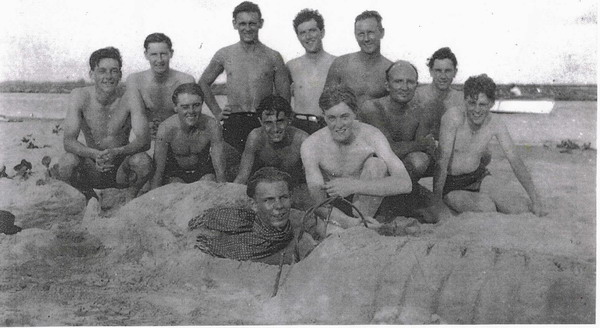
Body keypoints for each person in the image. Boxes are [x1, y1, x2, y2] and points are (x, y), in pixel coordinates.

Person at [301, 84, 412, 230]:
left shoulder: (371, 135)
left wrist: (353, 185)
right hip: (332, 210)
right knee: (330, 233)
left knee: (376, 164)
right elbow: (319, 202)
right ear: (324, 116)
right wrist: (347, 222)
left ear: (355, 113)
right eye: (332, 118)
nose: (339, 125)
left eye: (344, 117)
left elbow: (405, 183)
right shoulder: (312, 145)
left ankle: (361, 223)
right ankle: (358, 227)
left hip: (363, 203)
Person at [433, 74, 545, 217]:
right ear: (465, 101)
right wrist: (436, 201)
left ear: (491, 103)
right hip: (453, 184)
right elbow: (442, 162)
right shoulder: (453, 118)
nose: (477, 110)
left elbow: (515, 160)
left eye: (483, 104)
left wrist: (535, 199)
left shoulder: (495, 122)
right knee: (486, 208)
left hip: (479, 177)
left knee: (519, 208)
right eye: (472, 103)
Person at [57, 47, 152, 201]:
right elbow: (68, 141)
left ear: (120, 75)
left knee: (143, 161)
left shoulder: (130, 97)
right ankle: (90, 197)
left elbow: (144, 140)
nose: (108, 76)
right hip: (92, 167)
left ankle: (129, 197)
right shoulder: (80, 96)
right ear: (91, 74)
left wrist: (117, 152)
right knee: (66, 163)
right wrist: (94, 154)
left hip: (122, 168)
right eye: (102, 71)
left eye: (114, 71)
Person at [198, 1, 291, 153]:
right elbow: (203, 82)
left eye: (252, 23)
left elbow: (284, 97)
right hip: (234, 120)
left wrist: (279, 123)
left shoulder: (273, 56)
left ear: (260, 23)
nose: (247, 28)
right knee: (233, 165)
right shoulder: (225, 54)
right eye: (242, 24)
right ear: (235, 24)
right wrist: (216, 111)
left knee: (262, 167)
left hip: (263, 121)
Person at [194, 167, 317, 265]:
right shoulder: (237, 239)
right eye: (269, 200)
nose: (279, 205)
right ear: (254, 204)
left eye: (284, 197)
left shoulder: (302, 240)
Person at [359, 60, 437, 183]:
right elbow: (386, 151)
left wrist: (422, 145)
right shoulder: (372, 108)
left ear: (416, 85)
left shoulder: (421, 111)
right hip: (369, 169)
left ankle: (400, 195)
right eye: (398, 81)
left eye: (410, 82)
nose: (405, 87)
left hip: (399, 170)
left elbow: (423, 152)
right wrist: (421, 144)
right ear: (387, 85)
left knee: (420, 159)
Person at [150, 83, 226, 189]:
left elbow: (220, 171)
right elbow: (158, 171)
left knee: (209, 183)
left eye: (196, 105)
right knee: (176, 186)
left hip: (202, 173)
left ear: (202, 104)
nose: (191, 111)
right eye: (185, 107)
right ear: (175, 107)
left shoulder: (212, 126)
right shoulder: (166, 129)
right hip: (176, 174)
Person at [125, 33, 195, 139]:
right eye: (154, 54)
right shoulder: (135, 80)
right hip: (147, 140)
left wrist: (165, 128)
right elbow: (136, 117)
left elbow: (192, 118)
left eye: (163, 54)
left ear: (171, 53)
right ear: (146, 55)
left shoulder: (185, 80)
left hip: (177, 139)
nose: (159, 59)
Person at [234, 95, 308, 186]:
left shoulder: (302, 139)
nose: (275, 129)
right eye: (268, 123)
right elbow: (242, 177)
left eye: (280, 121)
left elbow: (312, 177)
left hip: (294, 187)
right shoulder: (256, 137)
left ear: (289, 120)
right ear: (260, 122)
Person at [324, 10, 392, 107]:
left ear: (381, 33)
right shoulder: (341, 64)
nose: (366, 39)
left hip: (376, 122)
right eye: (361, 34)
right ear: (355, 35)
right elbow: (325, 102)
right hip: (347, 122)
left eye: (370, 32)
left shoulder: (391, 70)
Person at [286, 9, 336, 134]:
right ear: (298, 36)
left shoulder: (336, 63)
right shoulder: (291, 66)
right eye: (302, 33)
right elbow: (278, 97)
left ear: (322, 32)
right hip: (298, 125)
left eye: (312, 30)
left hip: (327, 126)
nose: (308, 37)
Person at [414, 47, 465, 139]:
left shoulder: (461, 99)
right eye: (438, 71)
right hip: (421, 149)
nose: (443, 76)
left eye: (448, 71)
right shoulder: (417, 95)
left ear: (455, 72)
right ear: (431, 72)